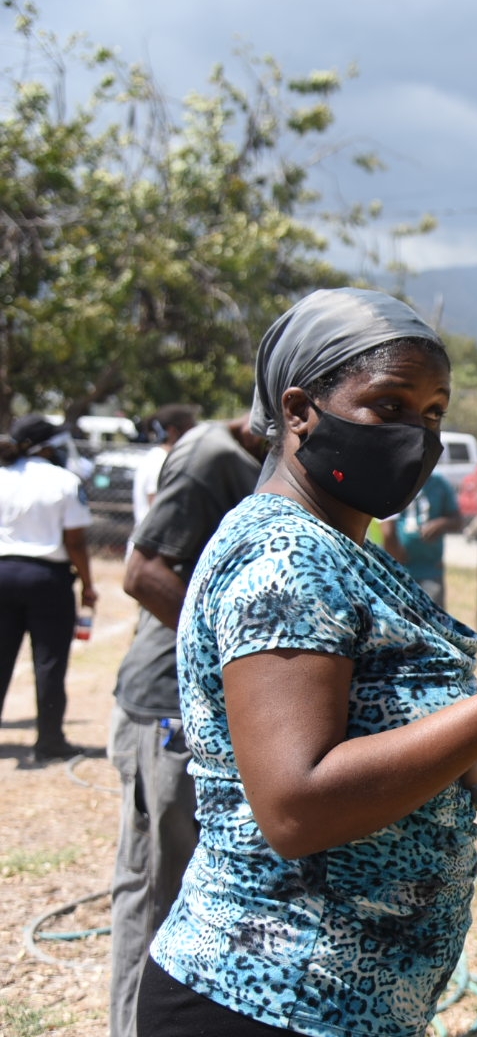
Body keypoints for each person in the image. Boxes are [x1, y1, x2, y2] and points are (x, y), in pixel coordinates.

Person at [138, 288, 477, 1037]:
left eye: (432, 413)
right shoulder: (286, 557)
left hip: (343, 1001)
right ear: (298, 412)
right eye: (387, 406)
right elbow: (297, 806)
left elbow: (366, 757)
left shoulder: (342, 549)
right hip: (271, 995)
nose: (416, 435)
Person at [107, 412, 265, 1037]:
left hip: (222, 707)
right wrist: (236, 649)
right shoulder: (211, 456)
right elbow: (144, 573)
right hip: (169, 705)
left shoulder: (266, 467)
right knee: (156, 890)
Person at [0, 414, 98, 763]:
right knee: (49, 662)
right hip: (47, 579)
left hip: (3, 572)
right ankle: (49, 739)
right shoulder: (64, 481)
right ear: (47, 445)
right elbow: (75, 541)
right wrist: (87, 584)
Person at [378, 469, 463, 607]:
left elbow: (458, 520)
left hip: (429, 569)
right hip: (397, 571)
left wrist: (440, 524)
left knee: (432, 622)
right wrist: (394, 551)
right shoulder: (396, 481)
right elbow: (387, 527)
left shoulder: (439, 483)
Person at [130, 405, 199, 533]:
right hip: (153, 548)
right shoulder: (161, 461)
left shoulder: (159, 457)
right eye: (191, 428)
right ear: (173, 431)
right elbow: (157, 507)